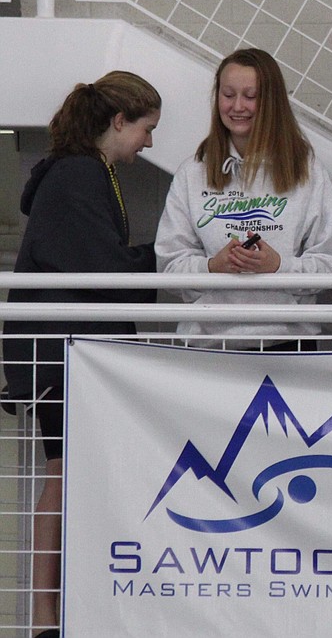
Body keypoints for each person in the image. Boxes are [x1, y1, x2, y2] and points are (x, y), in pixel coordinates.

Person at [2, 71, 162, 637]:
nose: (148, 142)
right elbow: (103, 270)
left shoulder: (78, 173)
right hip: (69, 353)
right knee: (66, 475)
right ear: (118, 121)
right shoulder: (78, 175)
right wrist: (169, 258)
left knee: (65, 474)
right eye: (146, 129)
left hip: (68, 350)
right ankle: (49, 615)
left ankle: (59, 611)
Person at [155, 48, 332, 348]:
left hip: (287, 342)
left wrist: (277, 266)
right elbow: (168, 264)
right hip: (208, 346)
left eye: (250, 95)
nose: (237, 106)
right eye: (228, 94)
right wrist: (212, 266)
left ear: (271, 102)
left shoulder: (306, 169)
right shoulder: (192, 172)